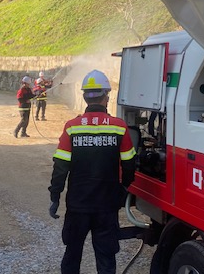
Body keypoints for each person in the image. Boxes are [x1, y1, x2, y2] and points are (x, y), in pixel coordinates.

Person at [48, 69, 136, 274]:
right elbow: (129, 165)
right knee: (106, 258)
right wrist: (122, 190)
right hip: (106, 205)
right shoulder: (119, 127)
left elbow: (60, 167)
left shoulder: (72, 127)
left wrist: (55, 196)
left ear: (84, 97)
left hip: (78, 205)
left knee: (72, 254)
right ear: (107, 97)